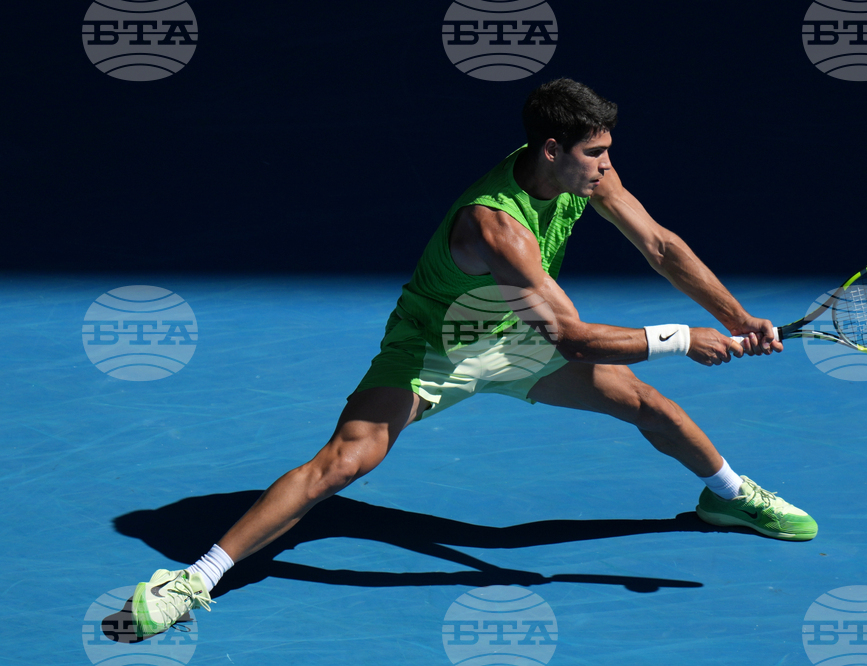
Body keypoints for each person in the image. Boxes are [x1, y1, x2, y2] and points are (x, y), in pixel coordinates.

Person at [130, 78, 817, 640]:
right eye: (596, 152)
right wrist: (680, 338)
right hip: (436, 347)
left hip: (517, 336)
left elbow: (660, 246)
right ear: (553, 150)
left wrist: (736, 319)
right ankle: (195, 577)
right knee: (342, 462)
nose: (607, 165)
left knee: (647, 405)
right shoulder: (497, 228)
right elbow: (571, 338)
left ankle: (728, 498)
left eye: (608, 151)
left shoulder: (583, 178)